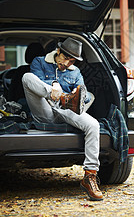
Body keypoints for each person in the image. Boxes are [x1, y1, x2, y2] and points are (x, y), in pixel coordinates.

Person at [22, 37, 103, 201]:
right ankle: (62, 97)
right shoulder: (39, 62)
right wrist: (53, 87)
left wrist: (77, 96)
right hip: (44, 108)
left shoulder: (76, 72)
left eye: (71, 60)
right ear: (58, 51)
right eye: (65, 58)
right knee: (27, 77)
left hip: (66, 110)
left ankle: (90, 177)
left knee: (93, 125)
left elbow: (84, 95)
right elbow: (35, 83)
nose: (67, 63)